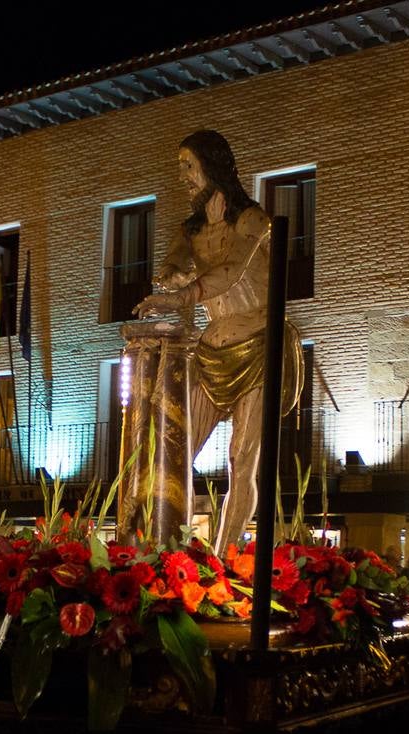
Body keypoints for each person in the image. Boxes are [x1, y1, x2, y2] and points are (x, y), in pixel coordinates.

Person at [132, 129, 303, 553]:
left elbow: (230, 271)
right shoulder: (190, 230)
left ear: (212, 165)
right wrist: (170, 276)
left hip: (260, 344)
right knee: (175, 455)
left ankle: (224, 558)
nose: (183, 175)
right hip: (212, 351)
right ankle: (170, 555)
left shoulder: (252, 220)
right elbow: (174, 262)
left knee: (241, 458)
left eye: (188, 165)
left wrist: (180, 297)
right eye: (180, 166)